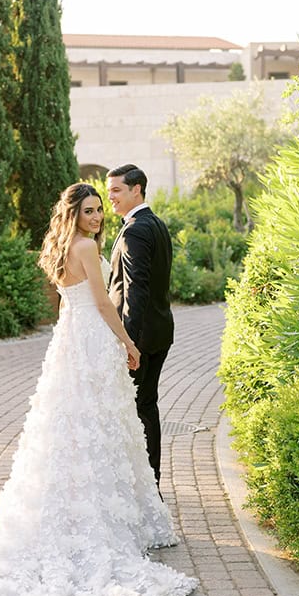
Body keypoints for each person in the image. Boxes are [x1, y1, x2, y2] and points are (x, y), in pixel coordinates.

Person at [0, 183, 197, 596]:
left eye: (100, 210)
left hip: (71, 342)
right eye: (90, 211)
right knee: (100, 423)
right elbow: (101, 303)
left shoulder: (60, 248)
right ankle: (96, 519)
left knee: (74, 426)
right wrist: (128, 341)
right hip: (92, 340)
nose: (97, 217)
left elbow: (66, 307)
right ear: (74, 213)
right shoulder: (87, 248)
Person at [107, 165, 174, 487]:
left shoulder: (135, 229)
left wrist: (128, 342)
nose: (111, 198)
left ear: (137, 189)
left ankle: (144, 484)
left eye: (117, 190)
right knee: (147, 406)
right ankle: (151, 482)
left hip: (142, 337)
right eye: (109, 192)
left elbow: (137, 288)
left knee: (136, 410)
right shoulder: (156, 224)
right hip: (160, 330)